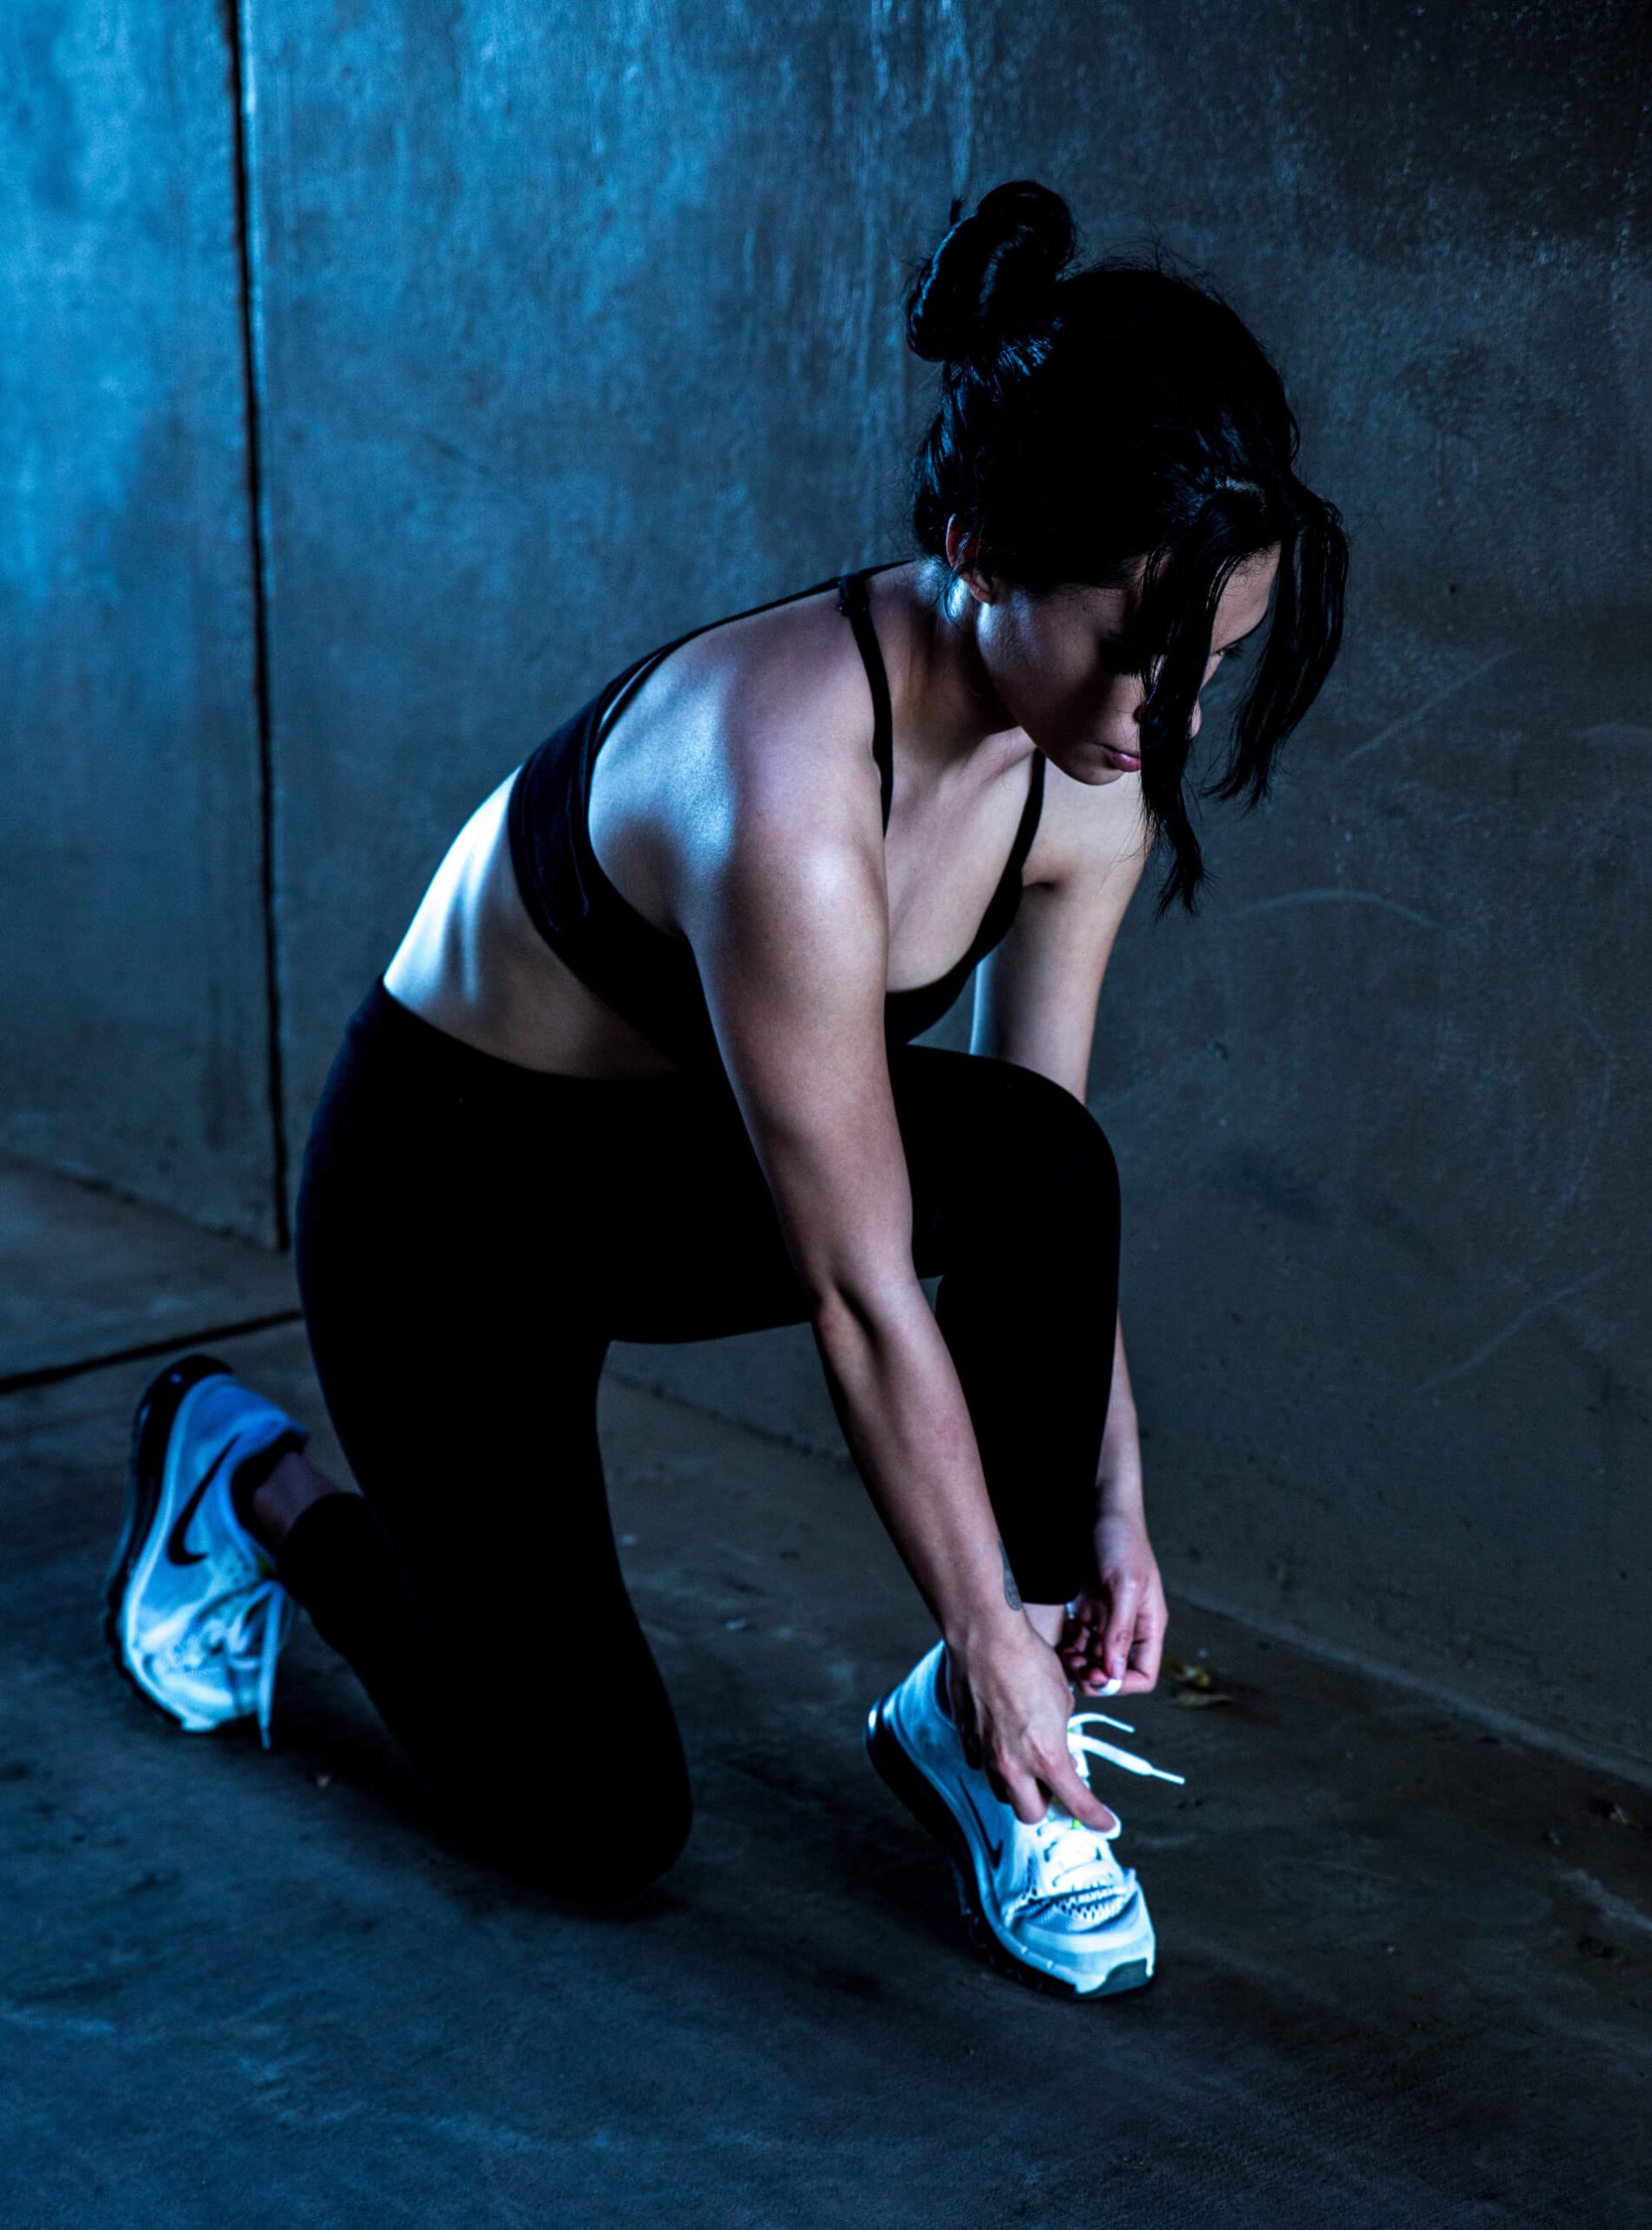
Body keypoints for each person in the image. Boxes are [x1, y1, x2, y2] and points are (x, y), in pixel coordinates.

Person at [105, 180, 1345, 1998]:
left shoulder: (1087, 782)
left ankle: (985, 1741)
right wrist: (981, 1613)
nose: (1167, 720)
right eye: (1130, 651)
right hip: (447, 1207)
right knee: (594, 1816)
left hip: (674, 1172)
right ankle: (249, 1488)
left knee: (1043, 1161)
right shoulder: (783, 780)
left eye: (1206, 669)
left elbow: (1037, 1189)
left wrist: (1108, 1508)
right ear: (978, 545)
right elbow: (862, 1287)